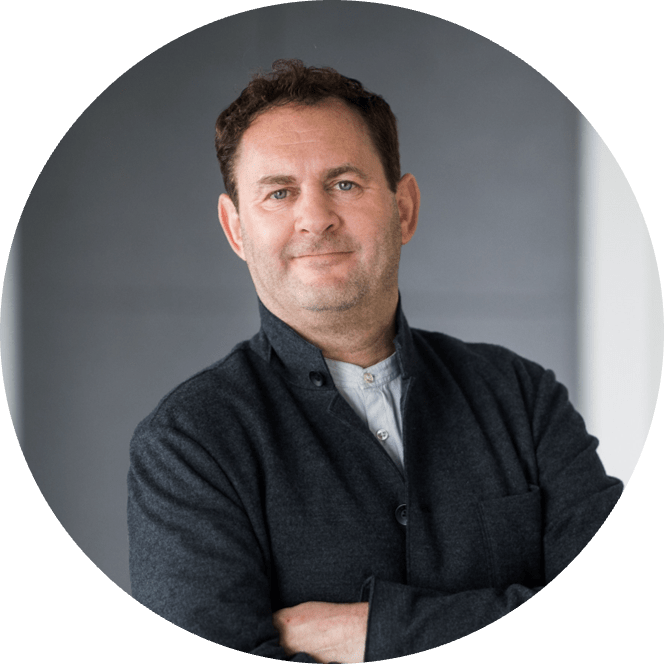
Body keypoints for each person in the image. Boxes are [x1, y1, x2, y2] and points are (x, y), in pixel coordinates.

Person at [127, 59, 623, 661]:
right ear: (236, 230)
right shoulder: (188, 444)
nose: (315, 218)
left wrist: (373, 634)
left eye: (344, 184)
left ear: (403, 207)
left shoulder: (523, 398)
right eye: (279, 193)